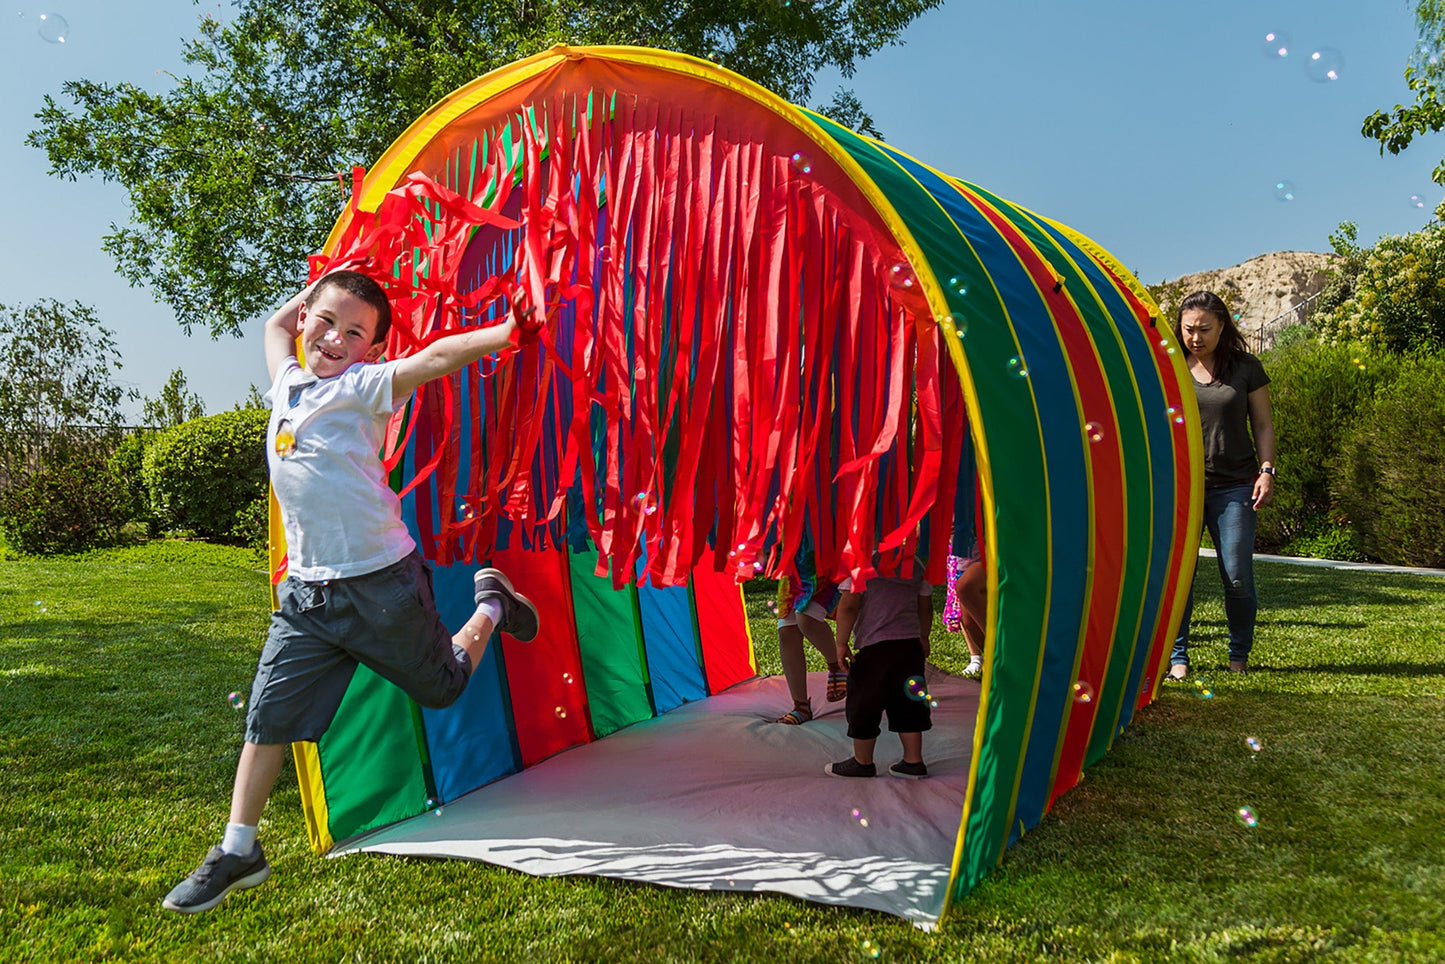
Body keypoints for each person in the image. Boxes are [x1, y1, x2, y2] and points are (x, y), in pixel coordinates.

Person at [162, 270, 541, 914]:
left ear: (370, 350)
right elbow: (273, 326)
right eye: (326, 320)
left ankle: (491, 604)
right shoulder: (285, 380)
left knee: (443, 686)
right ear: (308, 316)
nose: (334, 338)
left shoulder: (365, 387)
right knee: (267, 715)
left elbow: (435, 357)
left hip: (379, 584)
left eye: (354, 332)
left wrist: (504, 333)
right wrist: (308, 291)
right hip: (307, 595)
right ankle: (238, 850)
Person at [1170, 290, 1276, 678]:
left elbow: (1263, 424)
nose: (1195, 338)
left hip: (1235, 486)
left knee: (1236, 575)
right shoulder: (1169, 365)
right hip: (1182, 486)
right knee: (1178, 575)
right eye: (1188, 329)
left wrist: (1267, 470)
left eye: (1204, 329)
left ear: (1222, 327)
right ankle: (1177, 658)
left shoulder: (1246, 367)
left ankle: (1238, 657)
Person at [825, 556, 934, 779]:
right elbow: (925, 606)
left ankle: (862, 762)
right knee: (910, 702)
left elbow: (849, 605)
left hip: (874, 649)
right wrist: (923, 636)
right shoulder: (914, 564)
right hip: (909, 648)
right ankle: (913, 761)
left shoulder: (861, 564)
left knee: (864, 702)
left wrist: (841, 643)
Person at [773, 572, 845, 725]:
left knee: (807, 617)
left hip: (829, 562)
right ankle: (801, 706)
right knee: (787, 630)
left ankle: (837, 665)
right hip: (796, 563)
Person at [951, 556, 986, 678]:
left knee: (965, 586)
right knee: (969, 623)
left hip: (989, 554)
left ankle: (1003, 654)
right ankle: (984, 657)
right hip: (962, 563)